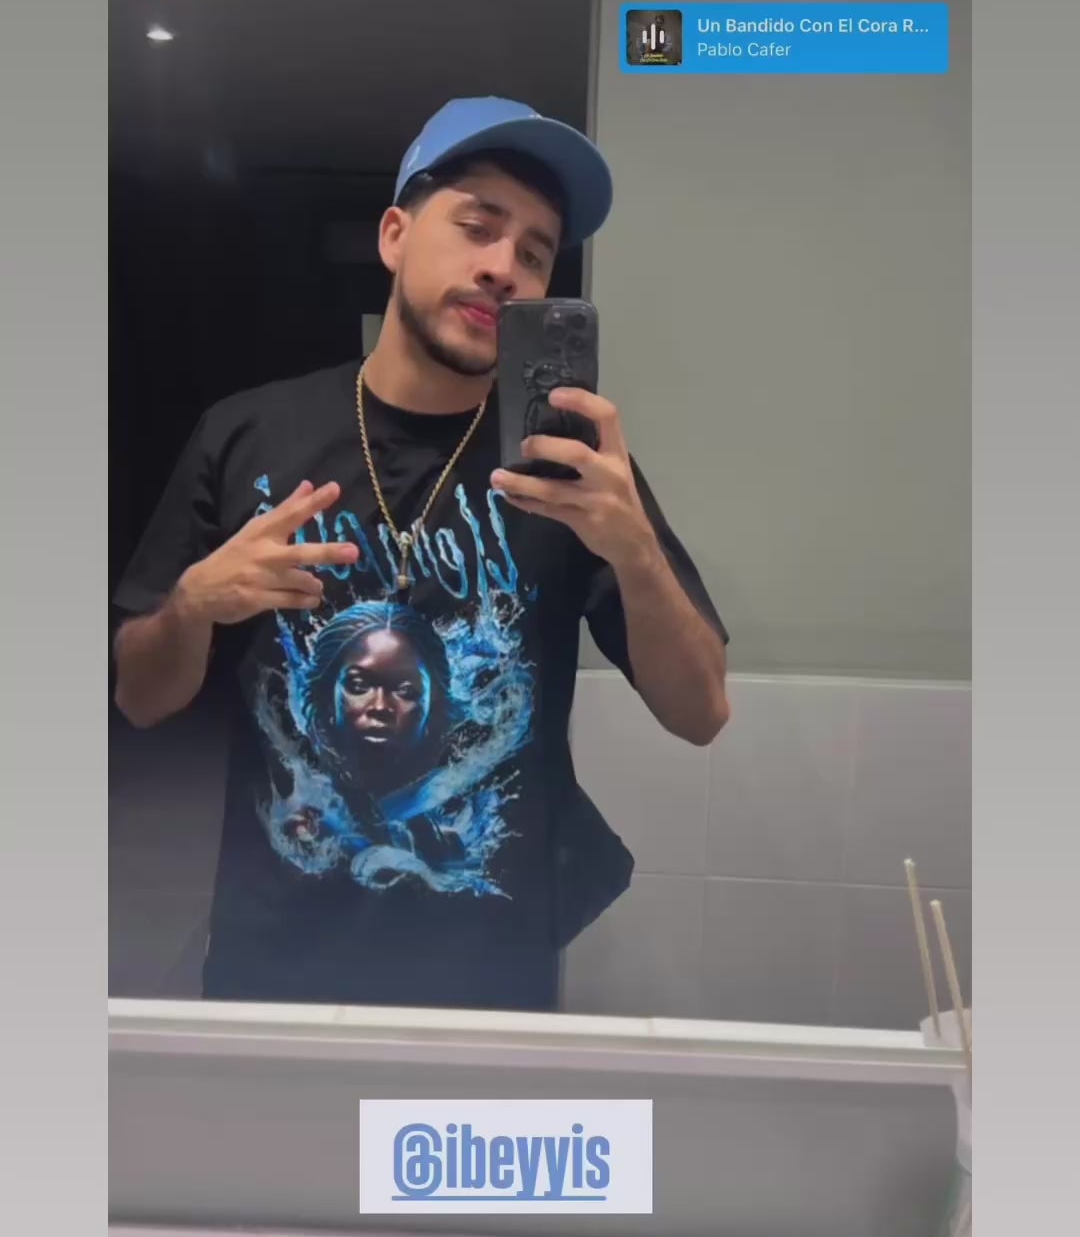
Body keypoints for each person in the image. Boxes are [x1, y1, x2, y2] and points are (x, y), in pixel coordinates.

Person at [112, 95, 731, 1010]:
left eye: (534, 253)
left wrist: (635, 550)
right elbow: (140, 697)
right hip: (271, 975)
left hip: (489, 990)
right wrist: (193, 607)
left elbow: (702, 713)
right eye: (478, 227)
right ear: (395, 236)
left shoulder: (575, 473)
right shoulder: (246, 434)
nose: (503, 268)